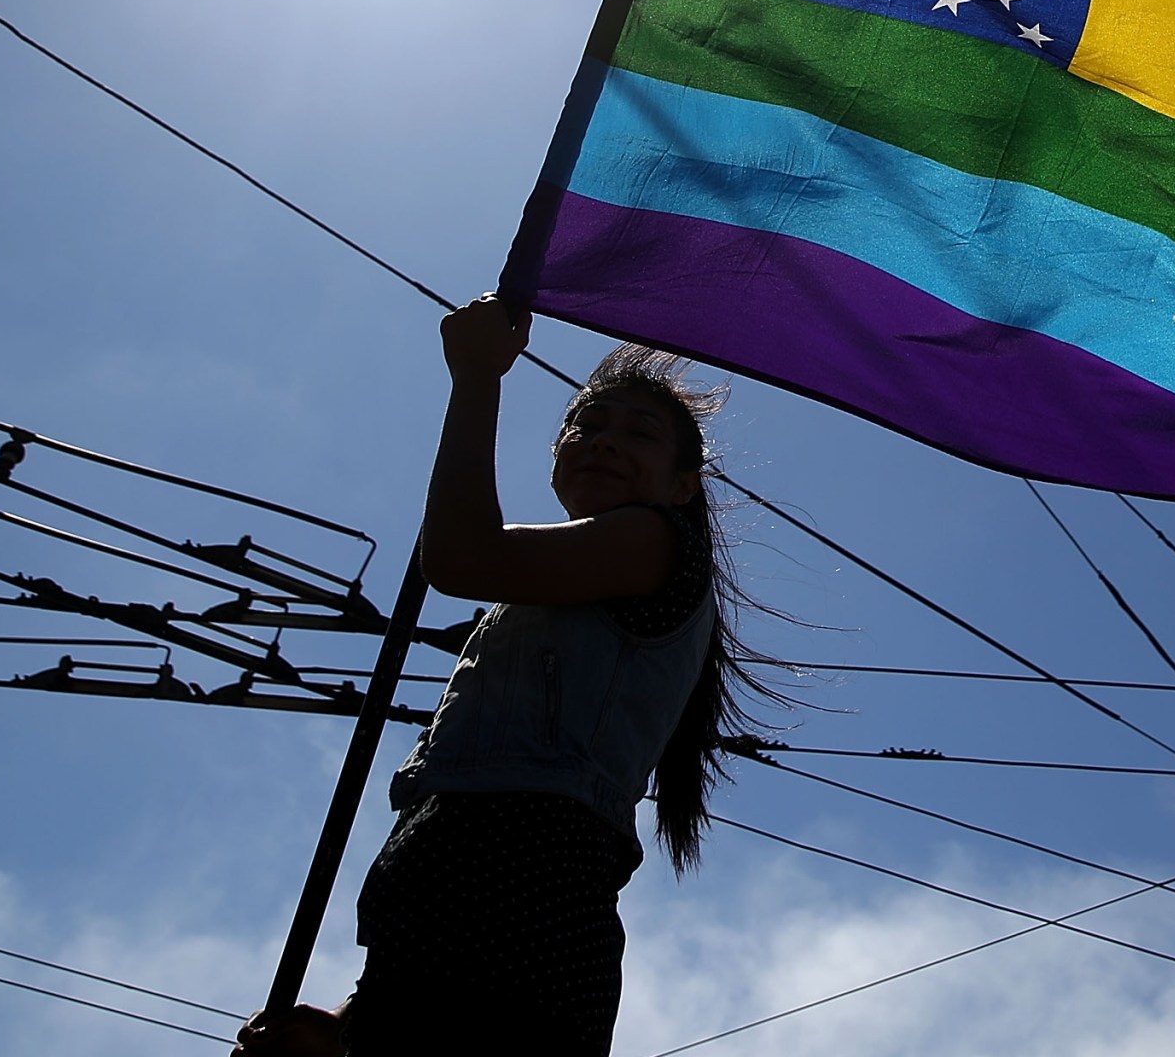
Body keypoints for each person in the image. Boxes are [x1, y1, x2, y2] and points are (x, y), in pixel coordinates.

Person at [236, 297, 787, 1056]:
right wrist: (344, 1026)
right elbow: (445, 926)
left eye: (638, 432)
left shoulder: (654, 542)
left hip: (515, 921)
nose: (601, 441)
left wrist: (475, 380)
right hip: (461, 922)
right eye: (585, 425)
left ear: (682, 485)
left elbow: (461, 555)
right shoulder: (569, 582)